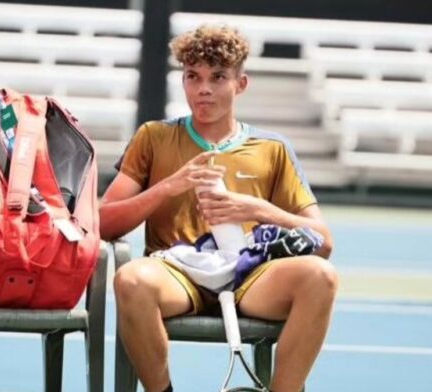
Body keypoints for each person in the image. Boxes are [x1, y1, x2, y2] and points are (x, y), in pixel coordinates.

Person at [99, 25, 338, 392]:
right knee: (131, 280)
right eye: (193, 76)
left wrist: (254, 208)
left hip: (252, 277)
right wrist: (168, 187)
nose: (203, 89)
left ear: (241, 83)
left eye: (218, 77)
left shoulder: (273, 148)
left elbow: (322, 242)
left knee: (321, 277)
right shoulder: (154, 136)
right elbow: (101, 223)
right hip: (177, 275)